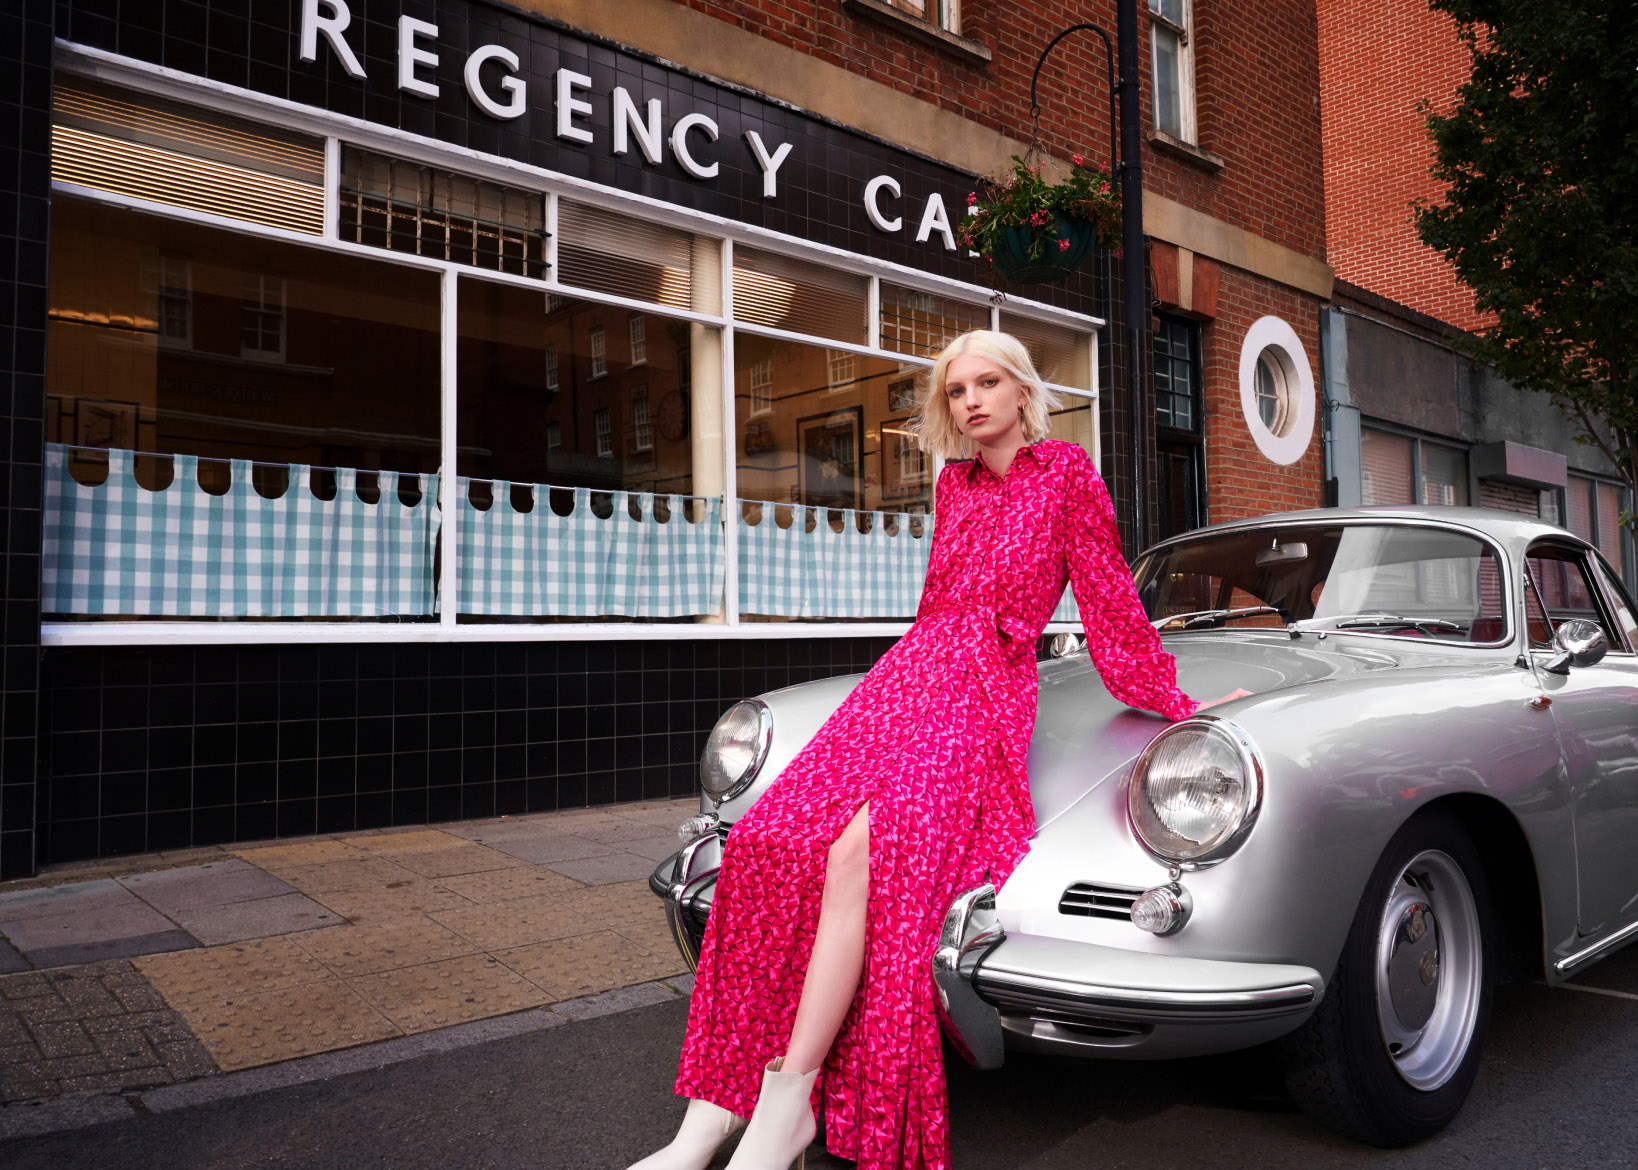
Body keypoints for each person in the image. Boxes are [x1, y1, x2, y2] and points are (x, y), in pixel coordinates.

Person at [628, 330, 1249, 1170]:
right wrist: (904, 676)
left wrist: (1175, 704)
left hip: (986, 689)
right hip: (910, 672)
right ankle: (708, 1117)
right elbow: (936, 603)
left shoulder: (1067, 475)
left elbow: (1107, 602)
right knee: (772, 840)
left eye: (988, 383)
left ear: (1022, 391)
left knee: (860, 858)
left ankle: (786, 1106)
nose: (972, 402)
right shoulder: (951, 484)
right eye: (957, 391)